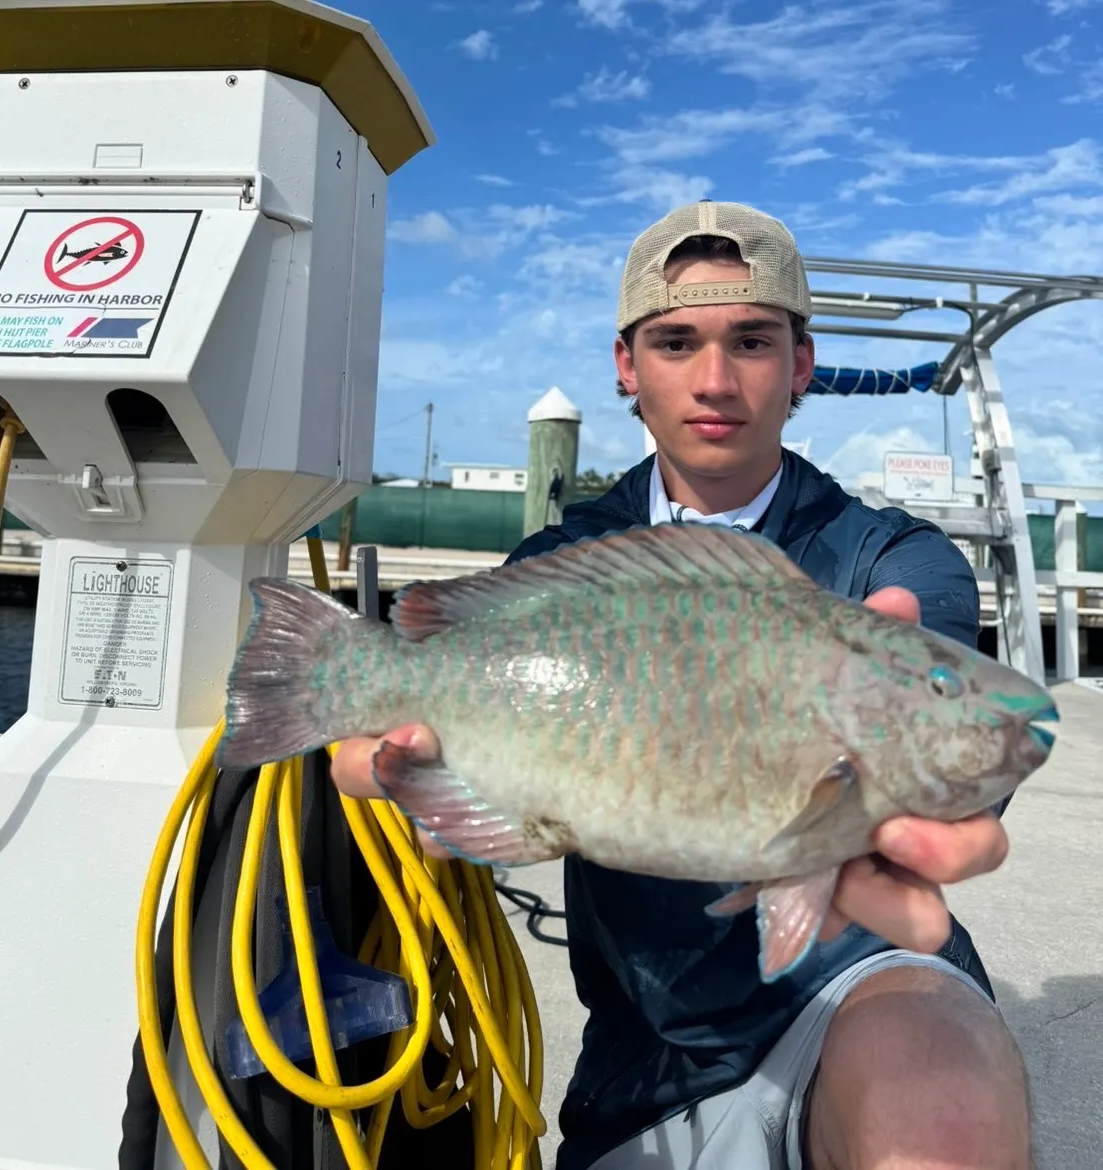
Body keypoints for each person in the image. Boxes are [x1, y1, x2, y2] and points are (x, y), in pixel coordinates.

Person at [329, 201, 1032, 1170]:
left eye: (752, 340)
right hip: (642, 1069)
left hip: (859, 1001)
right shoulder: (560, 565)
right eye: (675, 342)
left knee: (937, 1102)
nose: (715, 379)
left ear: (801, 363)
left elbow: (958, 716)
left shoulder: (892, 562)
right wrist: (427, 785)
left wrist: (932, 769)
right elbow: (455, 773)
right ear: (627, 365)